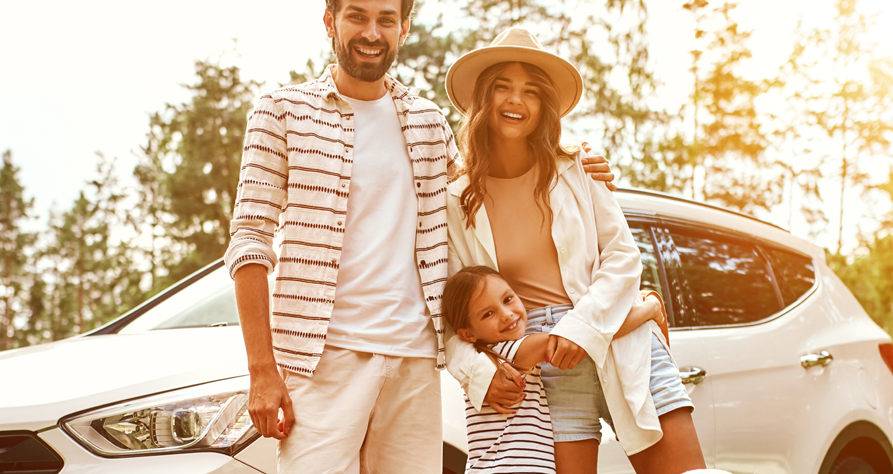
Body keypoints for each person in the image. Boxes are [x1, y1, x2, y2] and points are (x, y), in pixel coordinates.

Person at [224, 2, 616, 472]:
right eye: (357, 16)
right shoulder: (281, 112)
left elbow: (485, 202)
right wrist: (262, 371)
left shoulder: (427, 121)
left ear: (403, 28)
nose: (372, 32)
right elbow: (250, 238)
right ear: (330, 21)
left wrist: (575, 164)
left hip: (415, 361)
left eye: (386, 19)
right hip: (321, 363)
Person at [443, 28, 706, 473]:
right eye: (502, 87)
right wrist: (477, 373)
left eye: (530, 90)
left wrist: (582, 328)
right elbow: (451, 310)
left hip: (619, 336)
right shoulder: (457, 198)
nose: (516, 101)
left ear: (544, 104)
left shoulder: (579, 170)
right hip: (544, 363)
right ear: (482, 100)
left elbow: (622, 256)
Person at [443, 266, 668, 473]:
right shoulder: (509, 352)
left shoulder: (482, 365)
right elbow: (589, 336)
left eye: (508, 299)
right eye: (487, 314)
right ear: (468, 334)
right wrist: (649, 310)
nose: (506, 314)